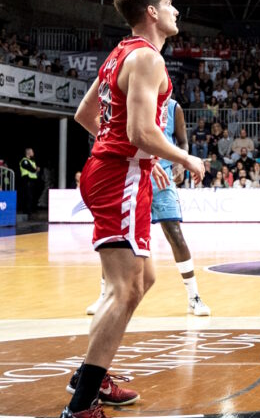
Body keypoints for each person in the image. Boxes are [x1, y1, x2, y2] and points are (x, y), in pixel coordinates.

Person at [53, 0, 204, 418]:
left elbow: (86, 115)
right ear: (151, 12)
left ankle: (91, 377)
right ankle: (81, 409)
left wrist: (140, 154)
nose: (176, 10)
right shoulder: (147, 58)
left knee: (144, 279)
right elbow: (139, 131)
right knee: (125, 289)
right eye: (169, 4)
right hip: (118, 177)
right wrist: (182, 157)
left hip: (118, 171)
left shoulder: (121, 53)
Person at [84, 92, 211, 317]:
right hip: (132, 175)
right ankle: (104, 295)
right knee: (116, 237)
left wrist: (181, 161)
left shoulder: (174, 108)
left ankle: (194, 297)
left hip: (163, 178)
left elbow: (182, 141)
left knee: (175, 233)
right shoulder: (132, 104)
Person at [18, 147, 40, 214]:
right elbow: (31, 168)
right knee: (28, 195)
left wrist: (36, 169)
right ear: (28, 153)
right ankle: (26, 211)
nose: (33, 153)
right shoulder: (24, 160)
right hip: (27, 179)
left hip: (33, 179)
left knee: (32, 195)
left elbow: (36, 169)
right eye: (32, 152)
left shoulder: (32, 161)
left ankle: (32, 209)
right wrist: (36, 169)